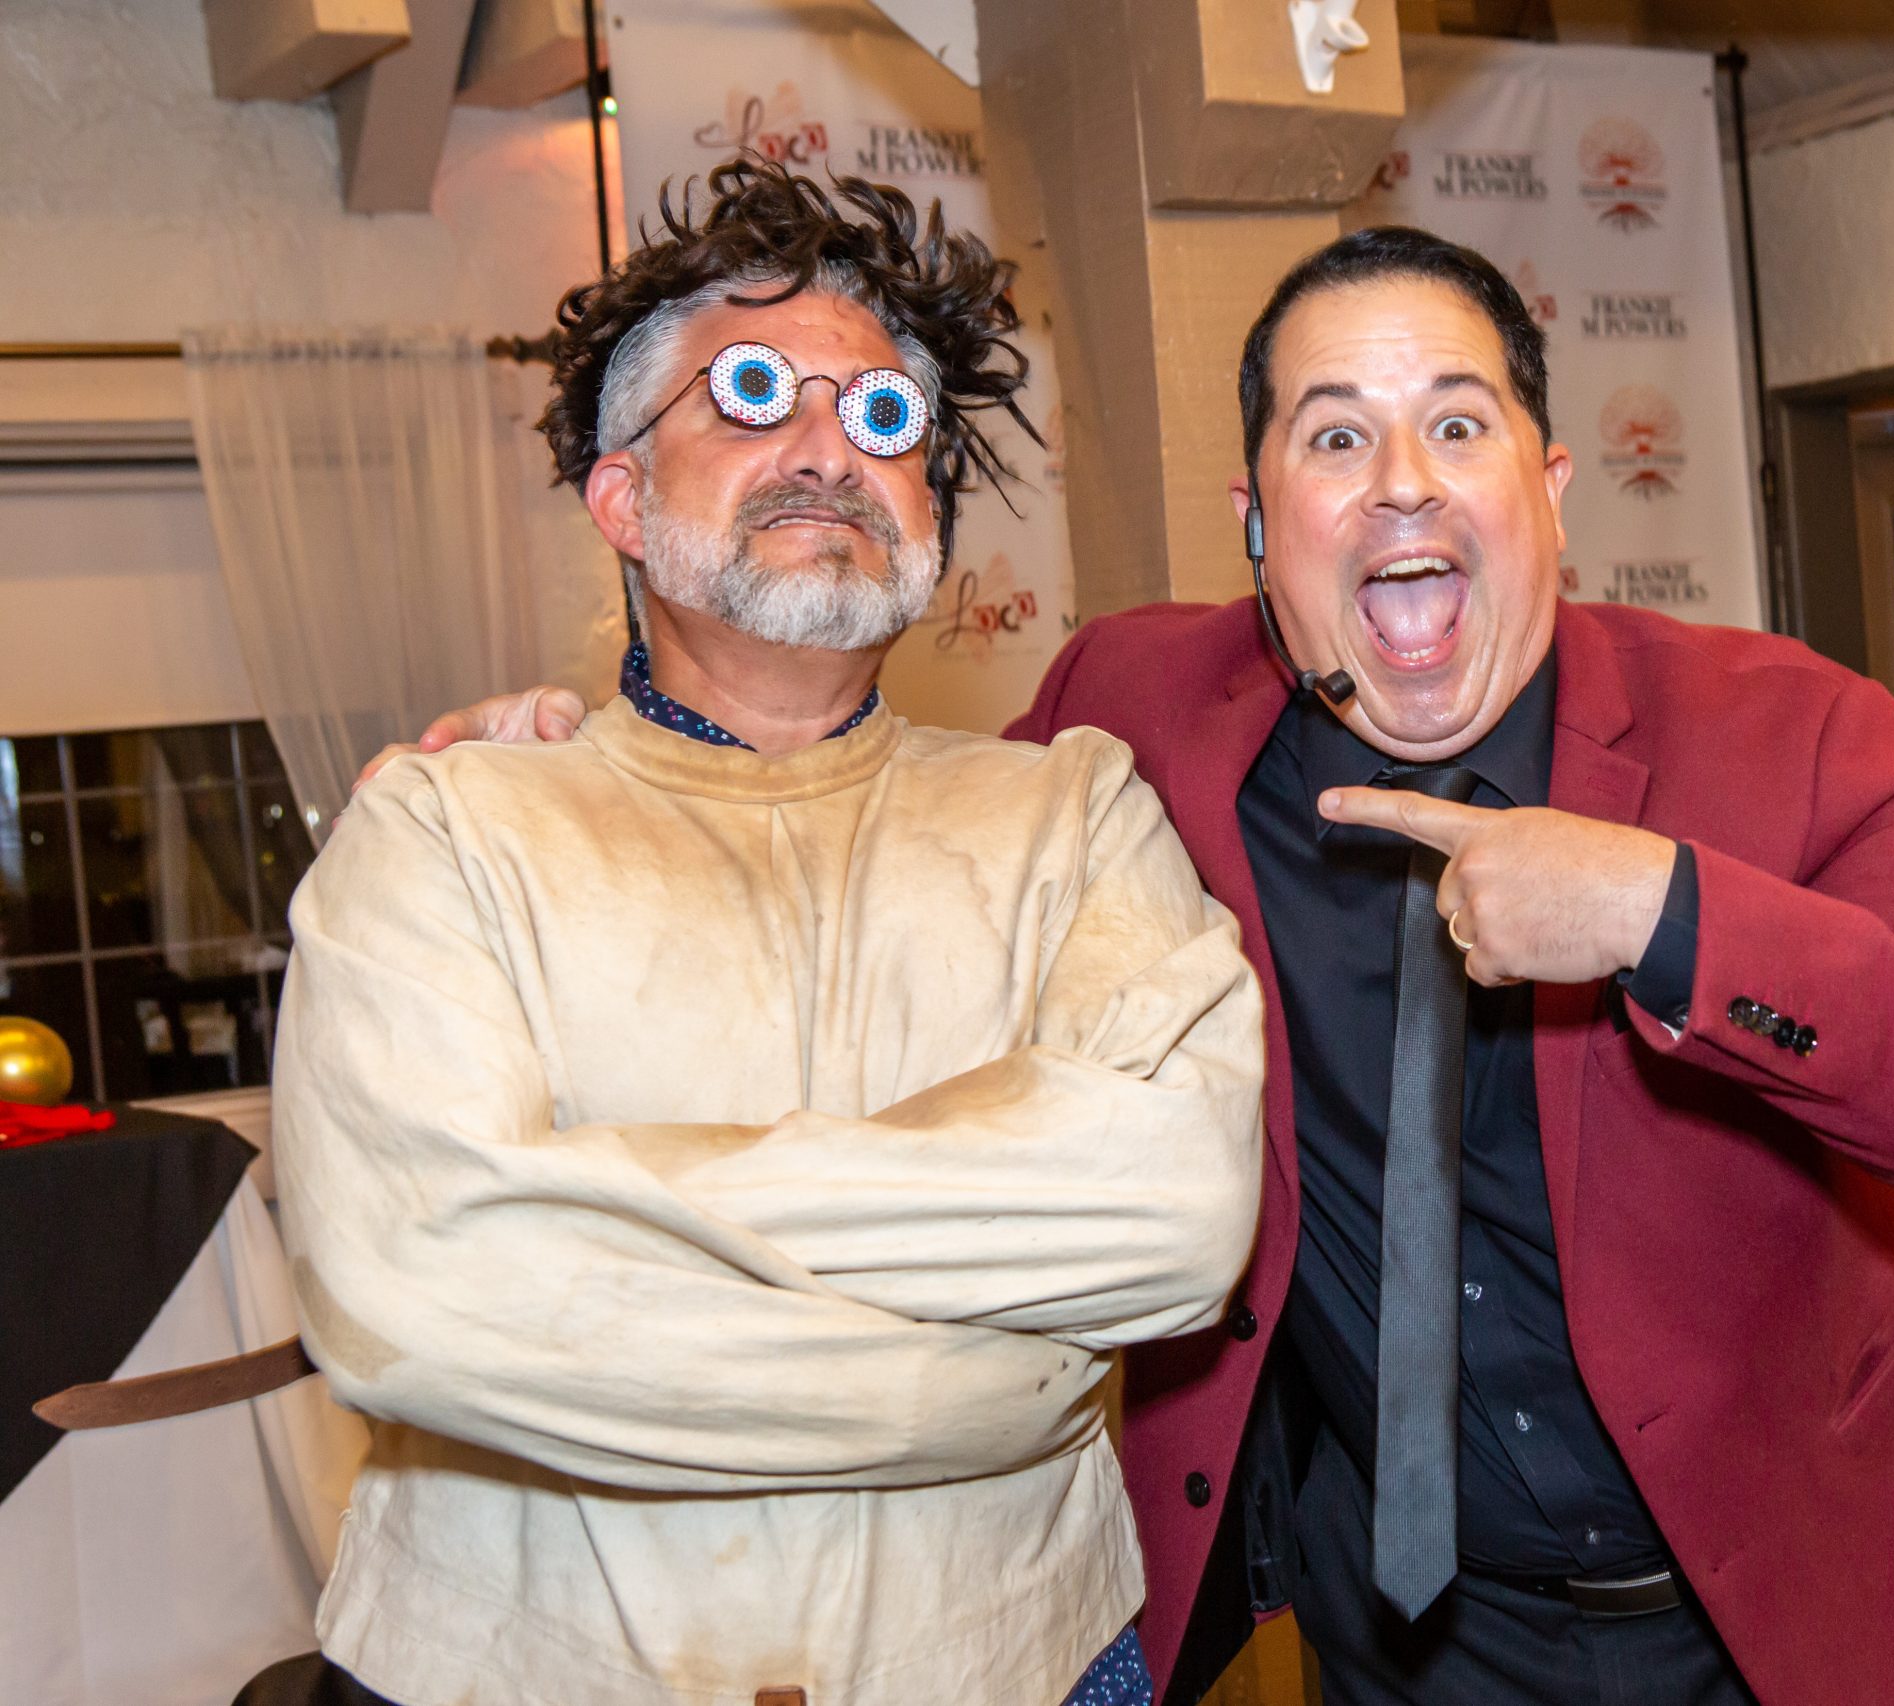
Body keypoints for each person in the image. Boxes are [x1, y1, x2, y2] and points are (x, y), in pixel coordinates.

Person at [398, 227, 1894, 1706]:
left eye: (1459, 423)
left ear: (1550, 492)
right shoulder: (1137, 720)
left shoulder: (1788, 730)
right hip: (1419, 1646)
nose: (1403, 481)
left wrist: (1668, 916)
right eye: (1337, 435)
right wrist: (596, 769)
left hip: (1835, 1612)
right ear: (1256, 519)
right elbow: (872, 839)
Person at [268, 157, 1263, 1706]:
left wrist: (602, 1201)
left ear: (928, 507)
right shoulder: (448, 828)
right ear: (620, 495)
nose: (828, 448)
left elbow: (1181, 1217)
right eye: (752, 393)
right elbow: (412, 1294)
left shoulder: (1073, 817)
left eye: (884, 418)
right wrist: (996, 1375)